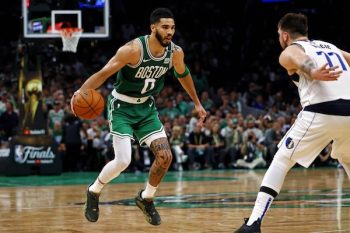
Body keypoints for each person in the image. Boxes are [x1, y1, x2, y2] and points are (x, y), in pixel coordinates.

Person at [73, 8, 206, 225]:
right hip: (122, 107)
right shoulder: (132, 49)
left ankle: (146, 198)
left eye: (172, 27)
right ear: (153, 27)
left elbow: (184, 74)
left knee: (166, 157)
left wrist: (197, 104)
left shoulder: (175, 53)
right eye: (165, 27)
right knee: (123, 160)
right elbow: (105, 72)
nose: (170, 31)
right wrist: (82, 91)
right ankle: (94, 190)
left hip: (146, 109)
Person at [234, 12, 350, 232]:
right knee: (348, 159)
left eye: (279, 35)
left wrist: (313, 71)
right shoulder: (330, 47)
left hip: (322, 110)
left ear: (285, 35)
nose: (279, 39)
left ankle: (253, 223)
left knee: (281, 160)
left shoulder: (290, 50)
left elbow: (297, 58)